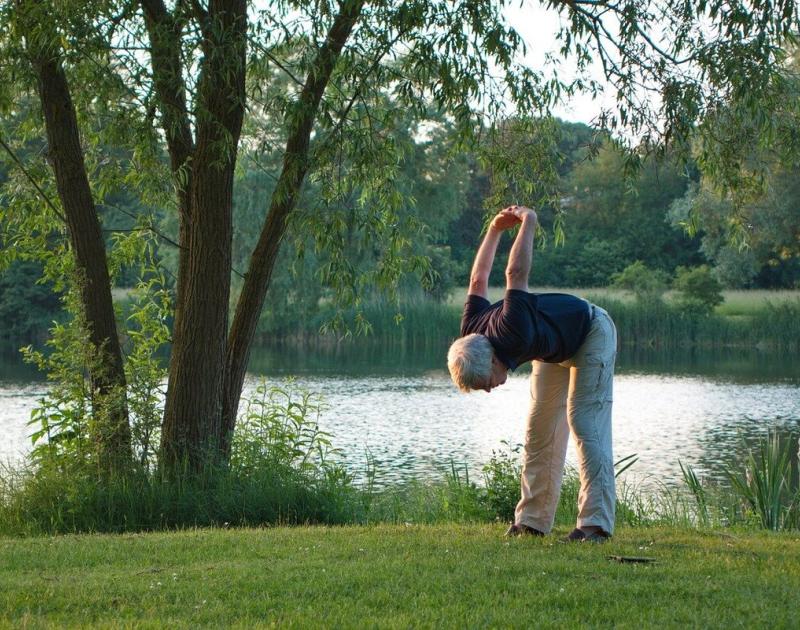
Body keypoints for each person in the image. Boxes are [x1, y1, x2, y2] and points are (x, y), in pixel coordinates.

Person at [447, 205, 617, 542]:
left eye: (485, 385)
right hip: (552, 349)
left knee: (584, 422)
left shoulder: (512, 330)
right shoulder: (471, 331)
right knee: (539, 430)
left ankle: (595, 525)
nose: (490, 390)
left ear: (493, 360)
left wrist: (529, 222)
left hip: (591, 332)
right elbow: (478, 280)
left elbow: (515, 274)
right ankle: (532, 521)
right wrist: (494, 229)